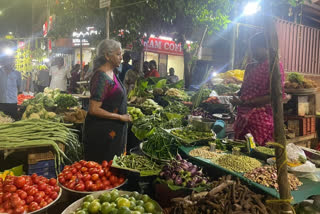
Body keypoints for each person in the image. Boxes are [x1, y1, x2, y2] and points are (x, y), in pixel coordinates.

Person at [83, 39, 132, 162]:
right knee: (103, 170)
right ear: (107, 56)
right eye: (118, 54)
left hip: (112, 133)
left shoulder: (111, 73)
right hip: (102, 135)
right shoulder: (101, 77)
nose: (121, 58)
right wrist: (120, 117)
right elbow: (94, 109)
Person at [233, 32, 286, 146]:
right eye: (251, 48)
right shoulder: (250, 66)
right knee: (239, 148)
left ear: (266, 48)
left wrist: (246, 102)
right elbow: (244, 89)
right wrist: (235, 95)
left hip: (261, 118)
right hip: (242, 115)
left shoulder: (274, 67)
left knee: (255, 151)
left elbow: (275, 96)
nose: (252, 52)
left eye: (255, 48)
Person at [0, 44, 22, 120]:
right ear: (3, 61)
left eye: (11, 60)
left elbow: (18, 87)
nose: (10, 62)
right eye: (7, 60)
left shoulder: (17, 74)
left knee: (13, 121)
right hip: (1, 102)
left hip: (13, 102)